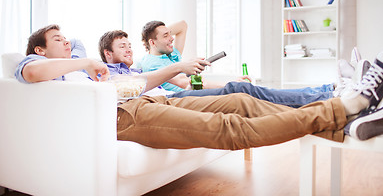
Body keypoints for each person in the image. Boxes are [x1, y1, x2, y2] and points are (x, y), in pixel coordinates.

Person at [15, 24, 383, 148]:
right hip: (117, 116)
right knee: (230, 128)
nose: (67, 42)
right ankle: (343, 106)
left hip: (149, 101)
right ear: (39, 49)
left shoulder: (83, 67)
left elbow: (133, 79)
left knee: (243, 101)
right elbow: (33, 73)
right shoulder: (37, 64)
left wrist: (90, 62)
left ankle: (345, 125)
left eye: (67, 38)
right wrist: (86, 59)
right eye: (57, 38)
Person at [99, 29, 334, 107]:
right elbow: (184, 83)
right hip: (172, 98)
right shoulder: (138, 67)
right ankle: (326, 94)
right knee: (242, 91)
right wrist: (181, 66)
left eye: (130, 45)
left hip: (174, 94)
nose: (129, 49)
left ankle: (324, 93)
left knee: (246, 91)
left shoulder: (137, 68)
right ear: (108, 54)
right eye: (123, 46)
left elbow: (182, 27)